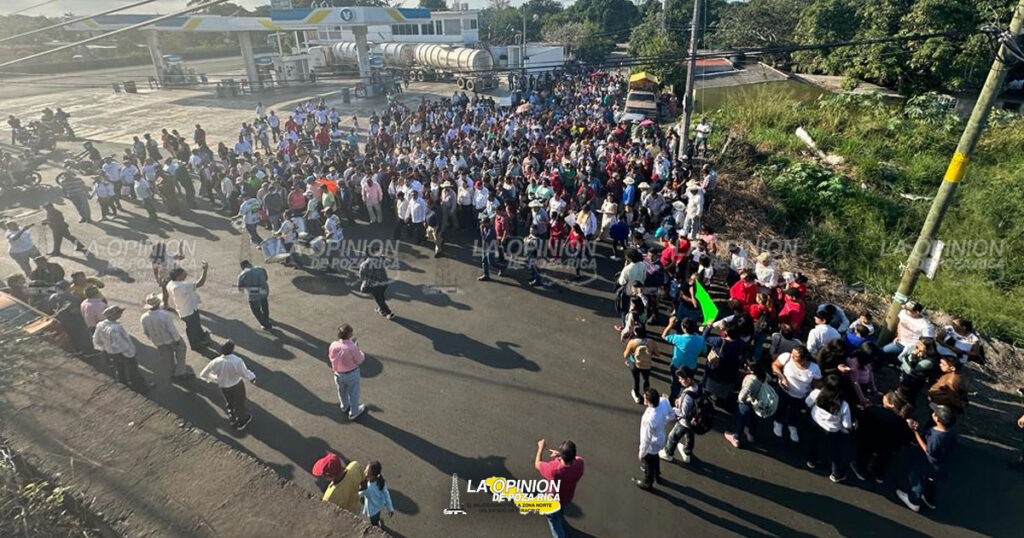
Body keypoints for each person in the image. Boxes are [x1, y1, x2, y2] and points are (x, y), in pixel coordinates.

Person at [897, 404, 958, 512]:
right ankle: (929, 500)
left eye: (935, 414)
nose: (933, 414)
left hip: (928, 464)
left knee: (917, 479)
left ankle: (913, 501)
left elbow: (928, 450)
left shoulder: (936, 437)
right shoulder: (951, 432)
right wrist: (921, 429)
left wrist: (916, 433)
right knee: (932, 483)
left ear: (938, 420)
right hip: (941, 465)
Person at [850, 391, 914, 483]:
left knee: (863, 456)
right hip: (887, 447)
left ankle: (860, 470)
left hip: (868, 440)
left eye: (886, 397)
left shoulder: (873, 410)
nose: (884, 396)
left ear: (891, 404)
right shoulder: (902, 422)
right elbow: (907, 439)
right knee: (883, 460)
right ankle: (878, 474)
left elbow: (859, 421)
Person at [804, 374, 852, 483]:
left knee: (813, 441)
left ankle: (812, 461)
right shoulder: (843, 405)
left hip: (815, 421)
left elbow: (807, 403)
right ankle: (836, 474)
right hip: (831, 430)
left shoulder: (817, 393)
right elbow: (846, 424)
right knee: (835, 451)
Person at [92, 305, 151, 392]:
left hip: (111, 353)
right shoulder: (116, 328)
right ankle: (141, 387)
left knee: (119, 370)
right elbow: (120, 343)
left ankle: (123, 385)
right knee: (133, 371)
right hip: (122, 353)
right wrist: (130, 353)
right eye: (119, 312)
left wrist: (105, 347)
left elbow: (97, 339)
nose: (121, 313)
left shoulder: (100, 325)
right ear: (112, 316)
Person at [199, 340, 256, 430]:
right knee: (239, 403)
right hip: (236, 385)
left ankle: (233, 418)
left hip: (224, 387)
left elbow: (203, 374)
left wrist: (215, 378)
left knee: (230, 402)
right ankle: (242, 420)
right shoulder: (237, 361)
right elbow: (244, 372)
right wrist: (252, 378)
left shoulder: (216, 361)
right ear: (232, 349)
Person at [534, 439, 584, 538]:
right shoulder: (580, 464)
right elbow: (576, 459)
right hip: (567, 497)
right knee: (560, 512)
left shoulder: (554, 470)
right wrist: (560, 456)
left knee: (553, 520)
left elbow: (537, 464)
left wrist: (540, 448)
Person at [772, 346, 821, 443]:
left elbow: (817, 383)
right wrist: (782, 378)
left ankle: (792, 426)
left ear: (804, 359)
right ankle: (778, 422)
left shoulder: (814, 368)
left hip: (801, 396)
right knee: (781, 407)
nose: (792, 357)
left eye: (795, 357)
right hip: (784, 391)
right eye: (792, 354)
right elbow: (775, 365)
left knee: (795, 412)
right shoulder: (787, 357)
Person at [140, 293, 191, 381]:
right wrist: (177, 339)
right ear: (158, 304)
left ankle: (172, 373)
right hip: (171, 339)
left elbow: (146, 332)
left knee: (168, 358)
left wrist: (153, 339)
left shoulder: (144, 317)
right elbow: (171, 329)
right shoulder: (164, 315)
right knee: (181, 351)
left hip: (159, 342)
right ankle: (180, 372)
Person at [165, 263, 211, 351]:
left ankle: (201, 335)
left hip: (186, 309)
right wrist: (205, 270)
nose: (186, 274)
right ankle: (195, 344)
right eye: (183, 273)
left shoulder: (171, 283)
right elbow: (200, 283)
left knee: (196, 324)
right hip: (189, 311)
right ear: (178, 277)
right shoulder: (181, 286)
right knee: (191, 329)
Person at [659, 367, 701, 464]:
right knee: (690, 435)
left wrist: (672, 409)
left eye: (681, 379)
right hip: (695, 420)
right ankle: (687, 452)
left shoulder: (687, 395)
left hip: (685, 422)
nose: (679, 380)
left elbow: (683, 413)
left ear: (688, 379)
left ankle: (667, 453)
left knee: (673, 436)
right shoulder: (697, 387)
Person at [634, 388, 673, 490]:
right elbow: (671, 415)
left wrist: (641, 453)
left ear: (649, 402)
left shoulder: (649, 419)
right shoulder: (664, 401)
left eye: (645, 398)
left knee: (648, 461)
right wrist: (664, 421)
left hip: (652, 442)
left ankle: (648, 482)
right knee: (655, 457)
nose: (644, 399)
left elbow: (646, 438)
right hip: (661, 437)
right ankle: (657, 475)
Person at [661, 316, 706, 403]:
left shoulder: (678, 338)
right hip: (691, 367)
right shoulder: (701, 339)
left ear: (684, 328)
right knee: (689, 384)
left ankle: (673, 399)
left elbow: (664, 335)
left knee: (676, 383)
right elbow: (704, 353)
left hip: (677, 366)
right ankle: (687, 399)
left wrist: (670, 324)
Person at [725, 360, 769, 448]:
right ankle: (750, 434)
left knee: (741, 419)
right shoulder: (763, 376)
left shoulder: (751, 380)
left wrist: (740, 399)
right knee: (752, 418)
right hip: (757, 402)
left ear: (752, 370)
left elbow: (742, 396)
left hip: (747, 402)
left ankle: (736, 438)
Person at [328, 324, 367, 420]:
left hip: (338, 374)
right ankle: (354, 412)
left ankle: (344, 406)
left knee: (341, 391)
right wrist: (358, 349)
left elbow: (331, 357)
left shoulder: (333, 345)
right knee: (353, 393)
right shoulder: (352, 347)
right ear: (350, 334)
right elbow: (360, 359)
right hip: (351, 374)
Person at [358, 243, 394, 319]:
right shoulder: (380, 258)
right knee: (381, 295)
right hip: (384, 282)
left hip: (375, 285)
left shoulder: (364, 264)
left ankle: (388, 313)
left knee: (378, 298)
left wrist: (364, 282)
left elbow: (362, 276)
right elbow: (386, 259)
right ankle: (382, 309)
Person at [623, 326, 658, 404]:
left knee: (636, 380)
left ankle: (637, 396)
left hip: (635, 364)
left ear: (636, 333)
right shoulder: (651, 342)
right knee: (646, 379)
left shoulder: (632, 342)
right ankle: (647, 395)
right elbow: (657, 354)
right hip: (647, 364)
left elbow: (625, 355)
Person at [236, 260, 272, 330]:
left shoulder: (242, 274)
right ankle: (266, 317)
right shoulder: (261, 268)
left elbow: (240, 287)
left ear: (242, 266)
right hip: (264, 291)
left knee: (256, 311)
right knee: (264, 303)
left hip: (254, 294)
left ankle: (266, 324)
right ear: (249, 264)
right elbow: (266, 278)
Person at [358, 461, 394, 528]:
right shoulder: (381, 481)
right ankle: (379, 521)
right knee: (377, 516)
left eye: (367, 473)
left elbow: (359, 494)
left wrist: (360, 488)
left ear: (372, 476)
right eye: (365, 470)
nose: (365, 473)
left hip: (372, 510)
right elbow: (386, 495)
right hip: (378, 506)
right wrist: (390, 508)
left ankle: (378, 527)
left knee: (374, 523)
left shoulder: (368, 488)